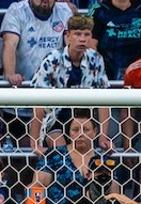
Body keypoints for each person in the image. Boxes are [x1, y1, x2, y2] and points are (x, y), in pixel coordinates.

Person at [28, 14, 110, 152]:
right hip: (55, 120)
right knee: (62, 154)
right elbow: (39, 102)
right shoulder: (52, 60)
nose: (82, 39)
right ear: (68, 36)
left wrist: (103, 137)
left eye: (86, 34)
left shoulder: (96, 60)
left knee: (84, 154)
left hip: (85, 120)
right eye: (78, 34)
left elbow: (104, 101)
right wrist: (35, 143)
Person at [1, 0, 71, 89]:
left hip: (55, 86)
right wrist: (10, 74)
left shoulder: (64, 11)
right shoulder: (16, 10)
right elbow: (9, 44)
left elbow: (71, 44)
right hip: (23, 84)